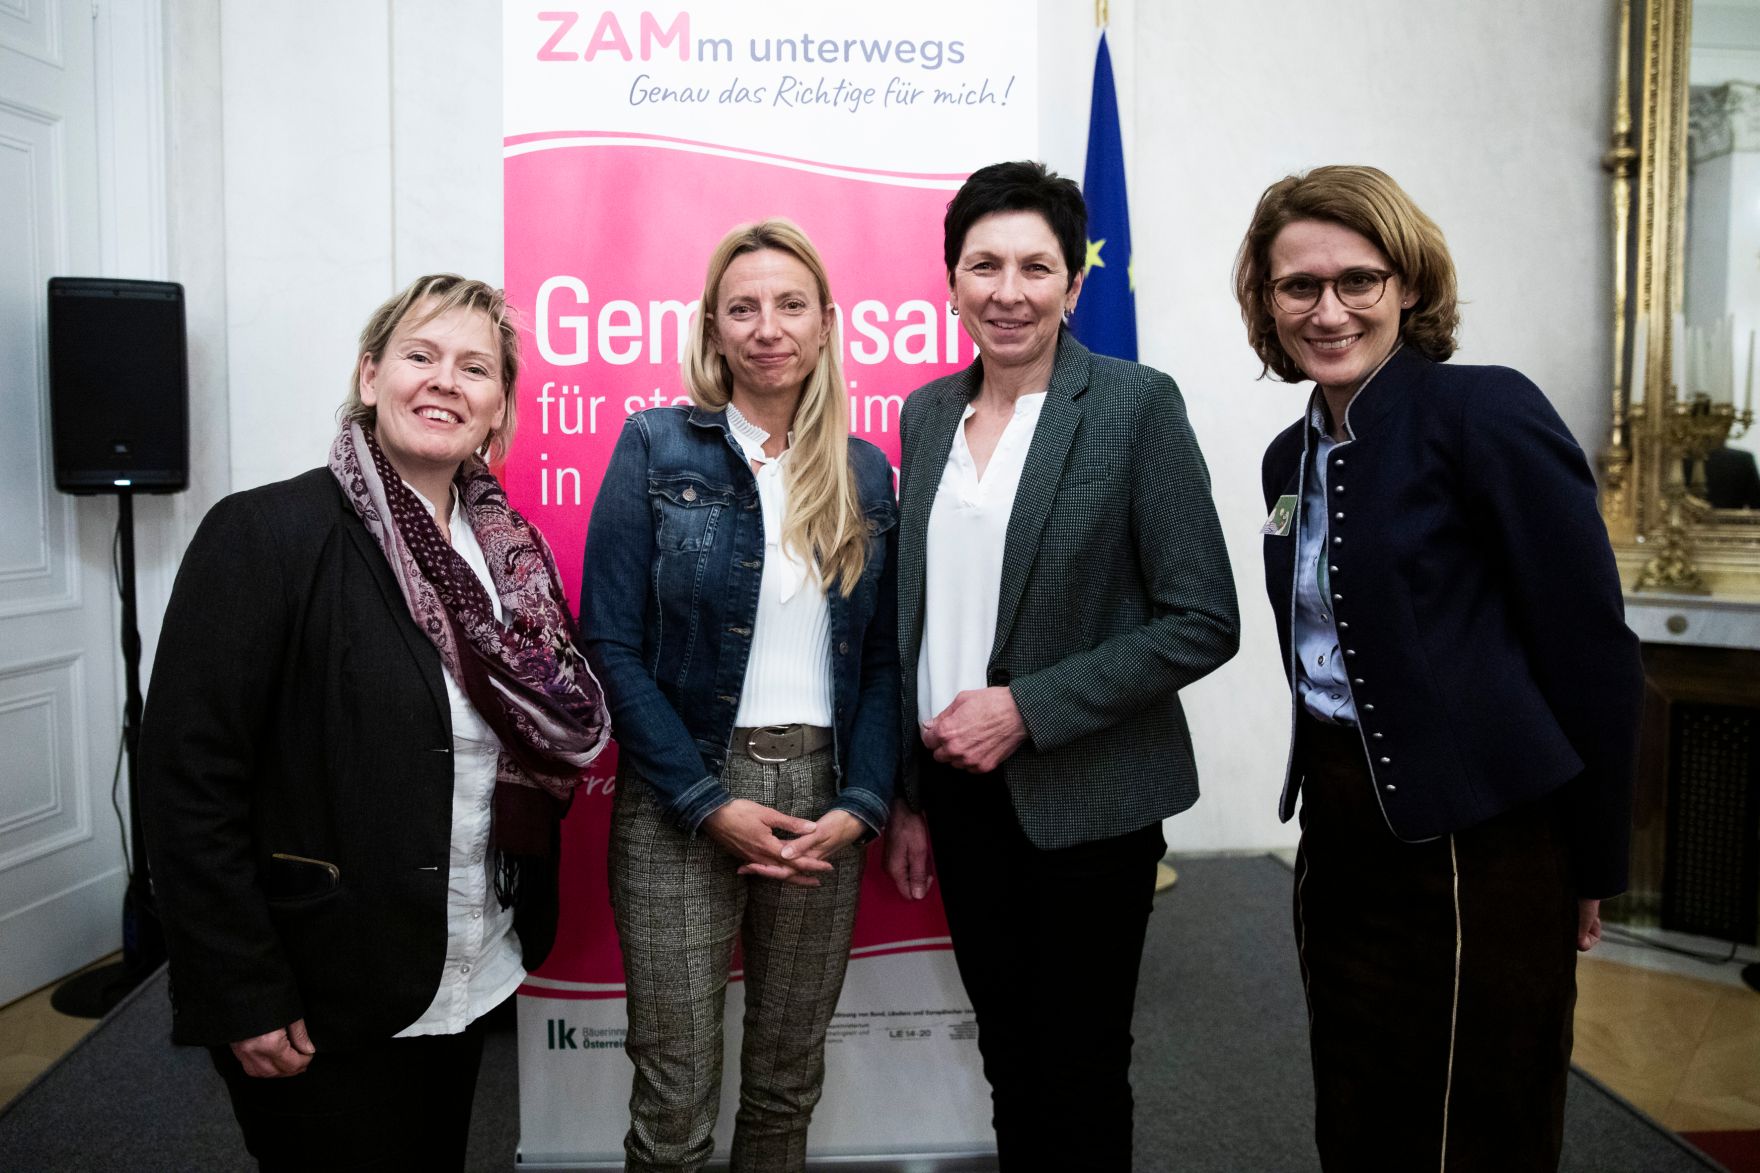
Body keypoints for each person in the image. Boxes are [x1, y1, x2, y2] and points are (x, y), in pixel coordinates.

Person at [138, 274, 609, 1171]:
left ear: (498, 406)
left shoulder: (514, 559)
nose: (445, 381)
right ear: (369, 376)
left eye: (475, 367)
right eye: (420, 355)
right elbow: (187, 781)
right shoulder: (266, 532)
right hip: (324, 981)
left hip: (469, 960)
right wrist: (241, 984)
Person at [1233, 164, 1644, 1170]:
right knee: (1356, 1106)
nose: (1328, 310)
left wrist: (1592, 861)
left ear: (1408, 284)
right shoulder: (1287, 458)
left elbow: (1590, 648)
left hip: (1484, 843)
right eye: (1298, 286)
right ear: (1267, 301)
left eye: (1358, 280)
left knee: (1479, 1122)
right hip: (1338, 831)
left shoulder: (1483, 411)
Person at [883, 160, 1240, 1171]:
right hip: (958, 797)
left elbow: (1202, 619)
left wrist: (1026, 708)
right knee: (1006, 1055)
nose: (1009, 291)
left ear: (1073, 285)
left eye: (1035, 267)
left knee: (1079, 1068)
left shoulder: (1133, 406)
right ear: (951, 281)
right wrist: (908, 796)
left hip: (1088, 795)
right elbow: (916, 620)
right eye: (984, 265)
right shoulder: (924, 415)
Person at [579, 219, 899, 1173]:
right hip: (680, 796)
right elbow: (610, 643)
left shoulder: (865, 470)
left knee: (784, 1087)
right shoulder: (655, 445)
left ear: (826, 323)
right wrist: (705, 800)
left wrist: (861, 804)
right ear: (713, 328)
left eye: (791, 305)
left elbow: (882, 661)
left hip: (820, 803)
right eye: (744, 307)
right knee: (673, 1105)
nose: (768, 328)